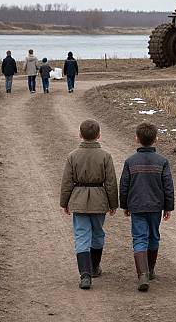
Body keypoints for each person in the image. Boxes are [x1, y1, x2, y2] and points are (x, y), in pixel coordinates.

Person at [60, 119, 119, 290]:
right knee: (98, 233)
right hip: (99, 200)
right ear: (99, 136)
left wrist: (65, 202)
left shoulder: (73, 156)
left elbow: (67, 183)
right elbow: (110, 183)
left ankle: (85, 274)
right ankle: (94, 267)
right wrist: (113, 203)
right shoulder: (106, 156)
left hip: (78, 199)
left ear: (80, 135)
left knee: (81, 235)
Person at [119, 122, 174, 292]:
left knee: (139, 238)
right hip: (155, 206)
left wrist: (125, 205)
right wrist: (168, 207)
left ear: (137, 139)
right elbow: (168, 186)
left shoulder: (130, 162)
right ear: (156, 139)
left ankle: (142, 274)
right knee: (154, 236)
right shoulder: (162, 161)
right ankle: (150, 270)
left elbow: (124, 185)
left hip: (136, 206)